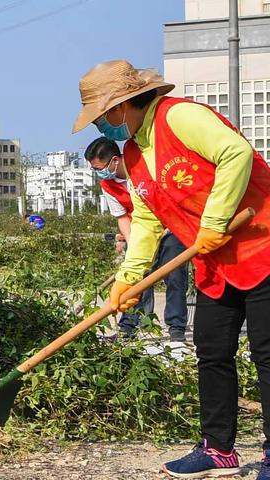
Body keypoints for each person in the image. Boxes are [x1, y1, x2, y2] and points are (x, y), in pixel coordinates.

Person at [73, 59, 270, 479]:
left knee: (267, 352)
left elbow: (236, 152)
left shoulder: (180, 116)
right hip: (216, 261)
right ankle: (218, 450)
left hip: (262, 243)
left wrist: (215, 220)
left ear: (123, 105)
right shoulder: (132, 153)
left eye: (103, 116)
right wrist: (130, 277)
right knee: (212, 350)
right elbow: (146, 220)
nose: (102, 126)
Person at [84, 136, 188, 342]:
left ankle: (176, 329)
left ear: (114, 160)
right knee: (136, 281)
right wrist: (134, 247)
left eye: (99, 168)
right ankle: (128, 328)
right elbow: (122, 217)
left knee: (175, 277)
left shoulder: (143, 169)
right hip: (141, 234)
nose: (99, 174)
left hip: (170, 230)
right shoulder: (108, 185)